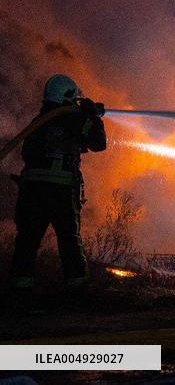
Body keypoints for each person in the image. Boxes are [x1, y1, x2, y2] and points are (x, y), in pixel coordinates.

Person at [9, 74, 106, 293]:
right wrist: (93, 116)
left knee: (27, 239)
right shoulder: (74, 118)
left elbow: (27, 152)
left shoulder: (38, 121)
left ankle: (19, 289)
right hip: (60, 190)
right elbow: (99, 143)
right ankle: (77, 288)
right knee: (69, 240)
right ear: (68, 95)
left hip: (31, 190)